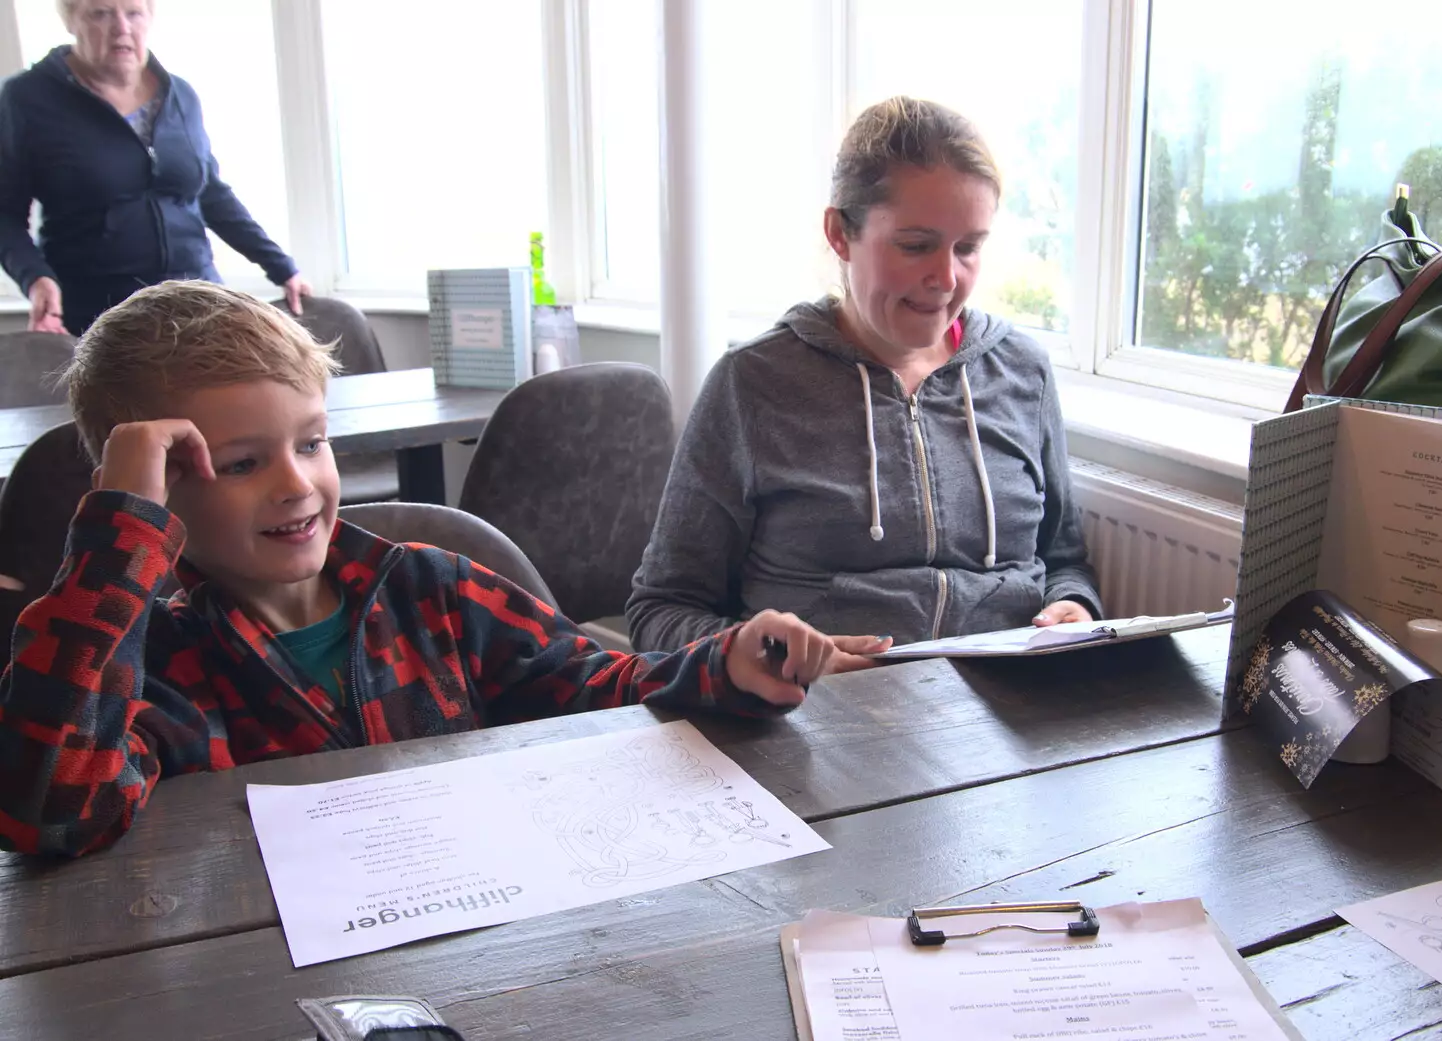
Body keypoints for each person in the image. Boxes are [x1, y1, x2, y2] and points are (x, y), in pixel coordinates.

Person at [0, 281, 888, 858]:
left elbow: (593, 682)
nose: (297, 482)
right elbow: (47, 810)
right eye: (240, 464)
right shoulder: (151, 661)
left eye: (312, 442)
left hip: (483, 946)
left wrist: (724, 662)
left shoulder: (433, 590)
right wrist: (120, 532)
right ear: (157, 494)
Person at [629, 96, 1102, 652]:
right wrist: (764, 655)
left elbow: (1064, 561)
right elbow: (660, 612)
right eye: (915, 245)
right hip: (822, 717)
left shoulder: (1023, 372)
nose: (946, 278)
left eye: (969, 248)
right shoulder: (752, 384)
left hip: (1007, 715)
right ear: (839, 234)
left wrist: (1074, 606)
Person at [0, 0, 311, 335]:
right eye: (100, 14)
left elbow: (211, 194)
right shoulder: (26, 99)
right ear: (70, 21)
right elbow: (5, 213)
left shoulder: (180, 95)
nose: (122, 28)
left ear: (149, 18)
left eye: (133, 13)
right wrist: (35, 278)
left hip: (198, 302)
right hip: (100, 316)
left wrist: (281, 267)